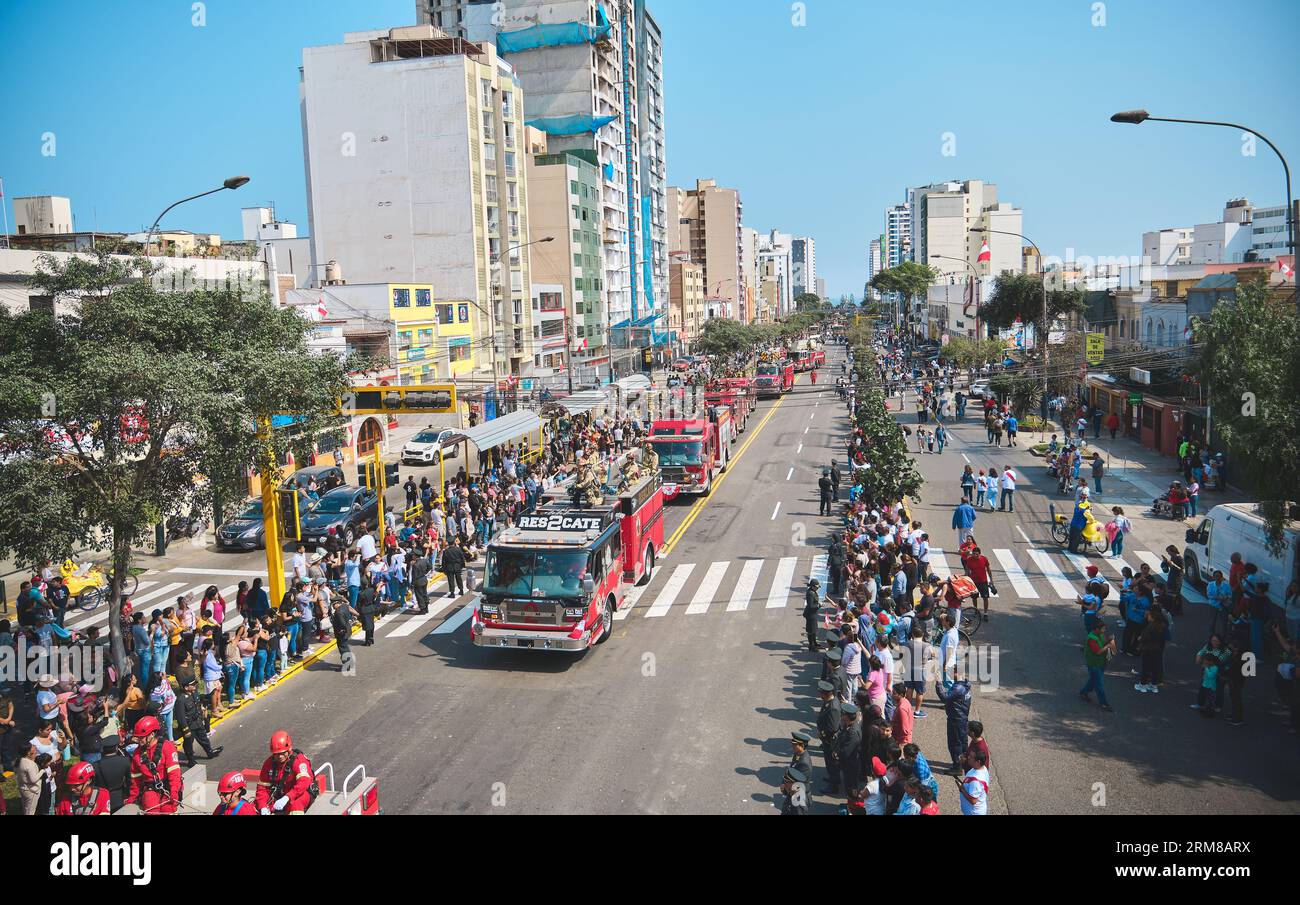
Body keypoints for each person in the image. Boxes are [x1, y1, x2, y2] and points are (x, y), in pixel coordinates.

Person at [124, 715, 183, 814]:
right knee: (151, 811)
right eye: (138, 737)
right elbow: (135, 778)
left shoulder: (167, 747)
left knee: (168, 810)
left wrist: (174, 792)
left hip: (168, 788)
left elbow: (174, 773)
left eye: (141, 737)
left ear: (152, 734)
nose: (139, 740)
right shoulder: (137, 754)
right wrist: (132, 797)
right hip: (150, 789)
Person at [256, 730, 316, 815]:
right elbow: (262, 788)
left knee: (296, 806)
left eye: (282, 753)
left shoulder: (299, 760)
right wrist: (262, 807)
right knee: (255, 807)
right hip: (281, 795)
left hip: (300, 793)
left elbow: (303, 782)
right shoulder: (268, 764)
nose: (280, 756)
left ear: (289, 749)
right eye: (276, 754)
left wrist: (287, 797)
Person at [935, 670, 971, 772]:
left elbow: (944, 697)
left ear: (958, 673)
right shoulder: (965, 685)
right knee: (963, 743)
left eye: (953, 672)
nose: (951, 674)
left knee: (955, 743)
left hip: (955, 720)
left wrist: (938, 683)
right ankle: (964, 762)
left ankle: (957, 767)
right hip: (963, 718)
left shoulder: (958, 688)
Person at [1079, 616, 1116, 711]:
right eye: (1103, 629)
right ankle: (1104, 703)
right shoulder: (1092, 638)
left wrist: (1108, 641)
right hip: (1094, 663)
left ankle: (1084, 692)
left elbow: (1102, 644)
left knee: (1093, 680)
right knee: (1099, 684)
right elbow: (1098, 651)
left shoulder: (1100, 635)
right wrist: (1108, 645)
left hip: (1101, 662)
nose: (1105, 630)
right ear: (1096, 629)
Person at [815, 680, 841, 794]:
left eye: (821, 693)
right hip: (827, 739)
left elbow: (833, 728)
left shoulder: (833, 707)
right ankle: (831, 778)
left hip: (831, 741)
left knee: (832, 763)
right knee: (829, 762)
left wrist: (823, 735)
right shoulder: (828, 702)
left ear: (826, 694)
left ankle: (833, 785)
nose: (820, 695)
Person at [958, 748, 990, 815]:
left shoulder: (976, 782)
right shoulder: (982, 768)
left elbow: (973, 800)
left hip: (973, 812)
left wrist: (962, 790)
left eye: (971, 757)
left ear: (978, 762)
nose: (968, 757)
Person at [802, 579, 821, 652]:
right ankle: (811, 646)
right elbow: (811, 606)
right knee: (810, 630)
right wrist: (819, 605)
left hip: (813, 614)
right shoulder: (810, 593)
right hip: (810, 614)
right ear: (813, 586)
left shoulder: (812, 591)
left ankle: (814, 643)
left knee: (814, 630)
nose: (817, 588)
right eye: (816, 587)